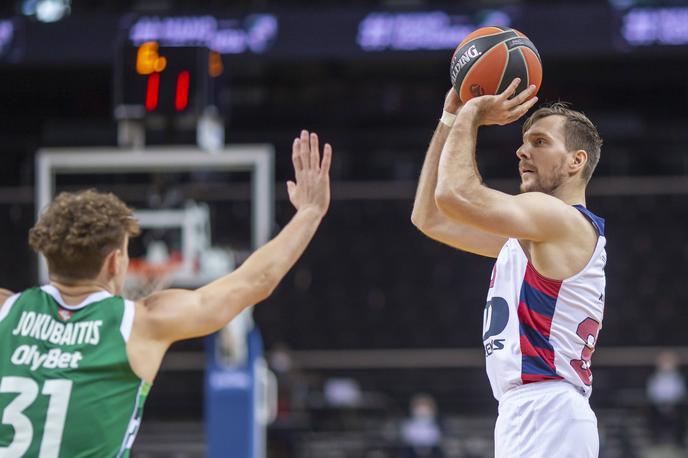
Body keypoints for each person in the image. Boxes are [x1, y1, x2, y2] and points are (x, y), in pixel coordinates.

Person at [0, 129, 331, 457]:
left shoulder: (5, 311)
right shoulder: (140, 324)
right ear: (115, 263)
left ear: (47, 256)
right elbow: (254, 281)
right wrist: (309, 213)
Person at [412, 79, 606, 457]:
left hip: (549, 409)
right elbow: (430, 216)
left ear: (576, 161)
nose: (521, 151)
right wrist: (449, 117)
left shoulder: (562, 221)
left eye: (539, 142)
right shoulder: (534, 235)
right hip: (526, 412)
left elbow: (454, 194)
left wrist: (471, 113)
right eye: (524, 140)